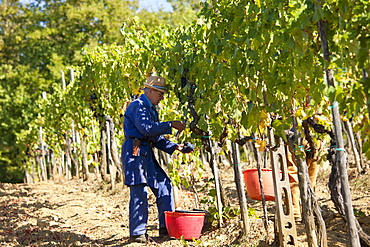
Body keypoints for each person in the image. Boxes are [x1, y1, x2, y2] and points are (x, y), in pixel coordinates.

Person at [121, 75, 192, 243]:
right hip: (135, 151)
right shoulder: (137, 106)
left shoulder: (151, 109)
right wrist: (171, 124)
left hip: (146, 151)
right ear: (150, 90)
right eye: (160, 94)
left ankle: (165, 227)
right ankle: (137, 233)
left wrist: (176, 147)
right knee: (139, 190)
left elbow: (155, 137)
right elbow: (146, 129)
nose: (162, 98)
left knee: (164, 184)